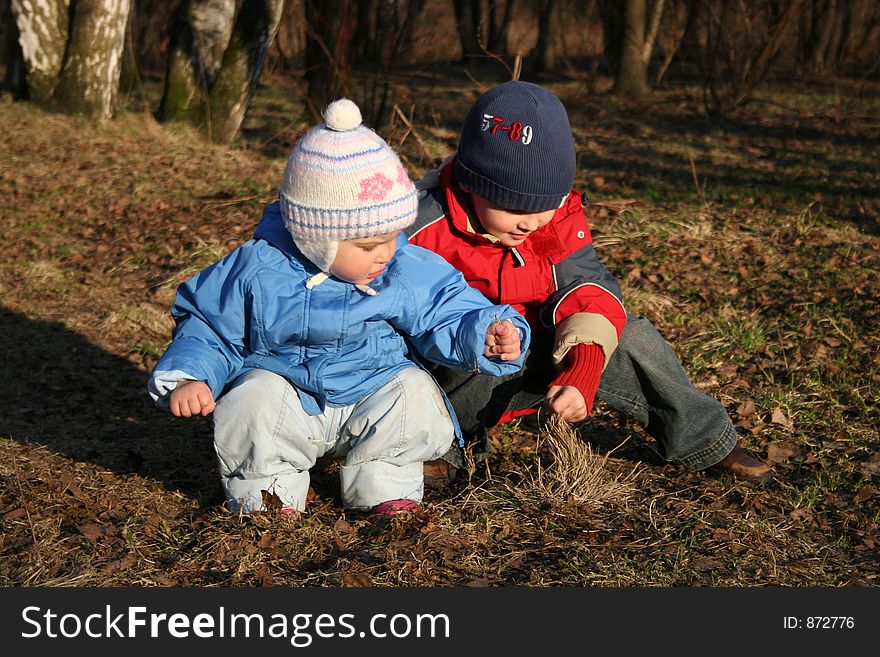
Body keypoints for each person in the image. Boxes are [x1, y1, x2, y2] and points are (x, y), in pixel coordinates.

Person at [148, 99, 530, 517]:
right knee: (251, 400)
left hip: (371, 386)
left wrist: (485, 331)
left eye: (392, 236)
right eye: (368, 245)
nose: (387, 252)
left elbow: (445, 307)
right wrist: (191, 376)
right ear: (316, 237)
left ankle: (384, 481)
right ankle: (268, 491)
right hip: (286, 388)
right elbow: (209, 323)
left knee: (412, 393)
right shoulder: (258, 268)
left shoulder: (401, 265)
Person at [406, 80, 771, 485]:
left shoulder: (555, 218)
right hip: (468, 365)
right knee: (451, 359)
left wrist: (583, 367)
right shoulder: (422, 227)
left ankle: (705, 440)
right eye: (512, 207)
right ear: (474, 184)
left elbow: (586, 286)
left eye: (545, 206)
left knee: (633, 337)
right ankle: (443, 448)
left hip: (547, 348)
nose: (530, 222)